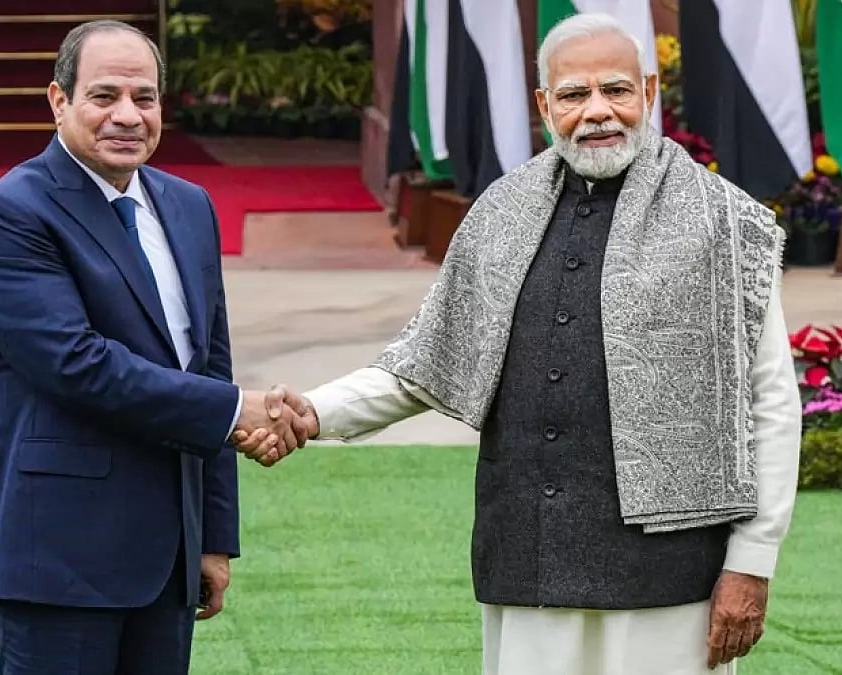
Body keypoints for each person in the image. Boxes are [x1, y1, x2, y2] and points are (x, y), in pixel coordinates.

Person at [232, 13, 802, 675]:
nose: (597, 112)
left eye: (616, 90)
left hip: (670, 573)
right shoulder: (502, 212)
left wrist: (752, 560)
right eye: (573, 95)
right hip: (528, 558)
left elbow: (772, 402)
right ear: (543, 105)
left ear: (649, 93)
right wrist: (312, 411)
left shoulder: (724, 222)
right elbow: (427, 361)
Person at [0, 20, 303, 674]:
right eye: (103, 95)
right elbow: (77, 365)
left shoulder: (189, 206)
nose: (127, 115)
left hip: (168, 559)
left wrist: (213, 537)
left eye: (144, 98)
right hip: (57, 560)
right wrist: (236, 411)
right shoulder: (7, 214)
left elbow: (210, 365)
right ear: (58, 101)